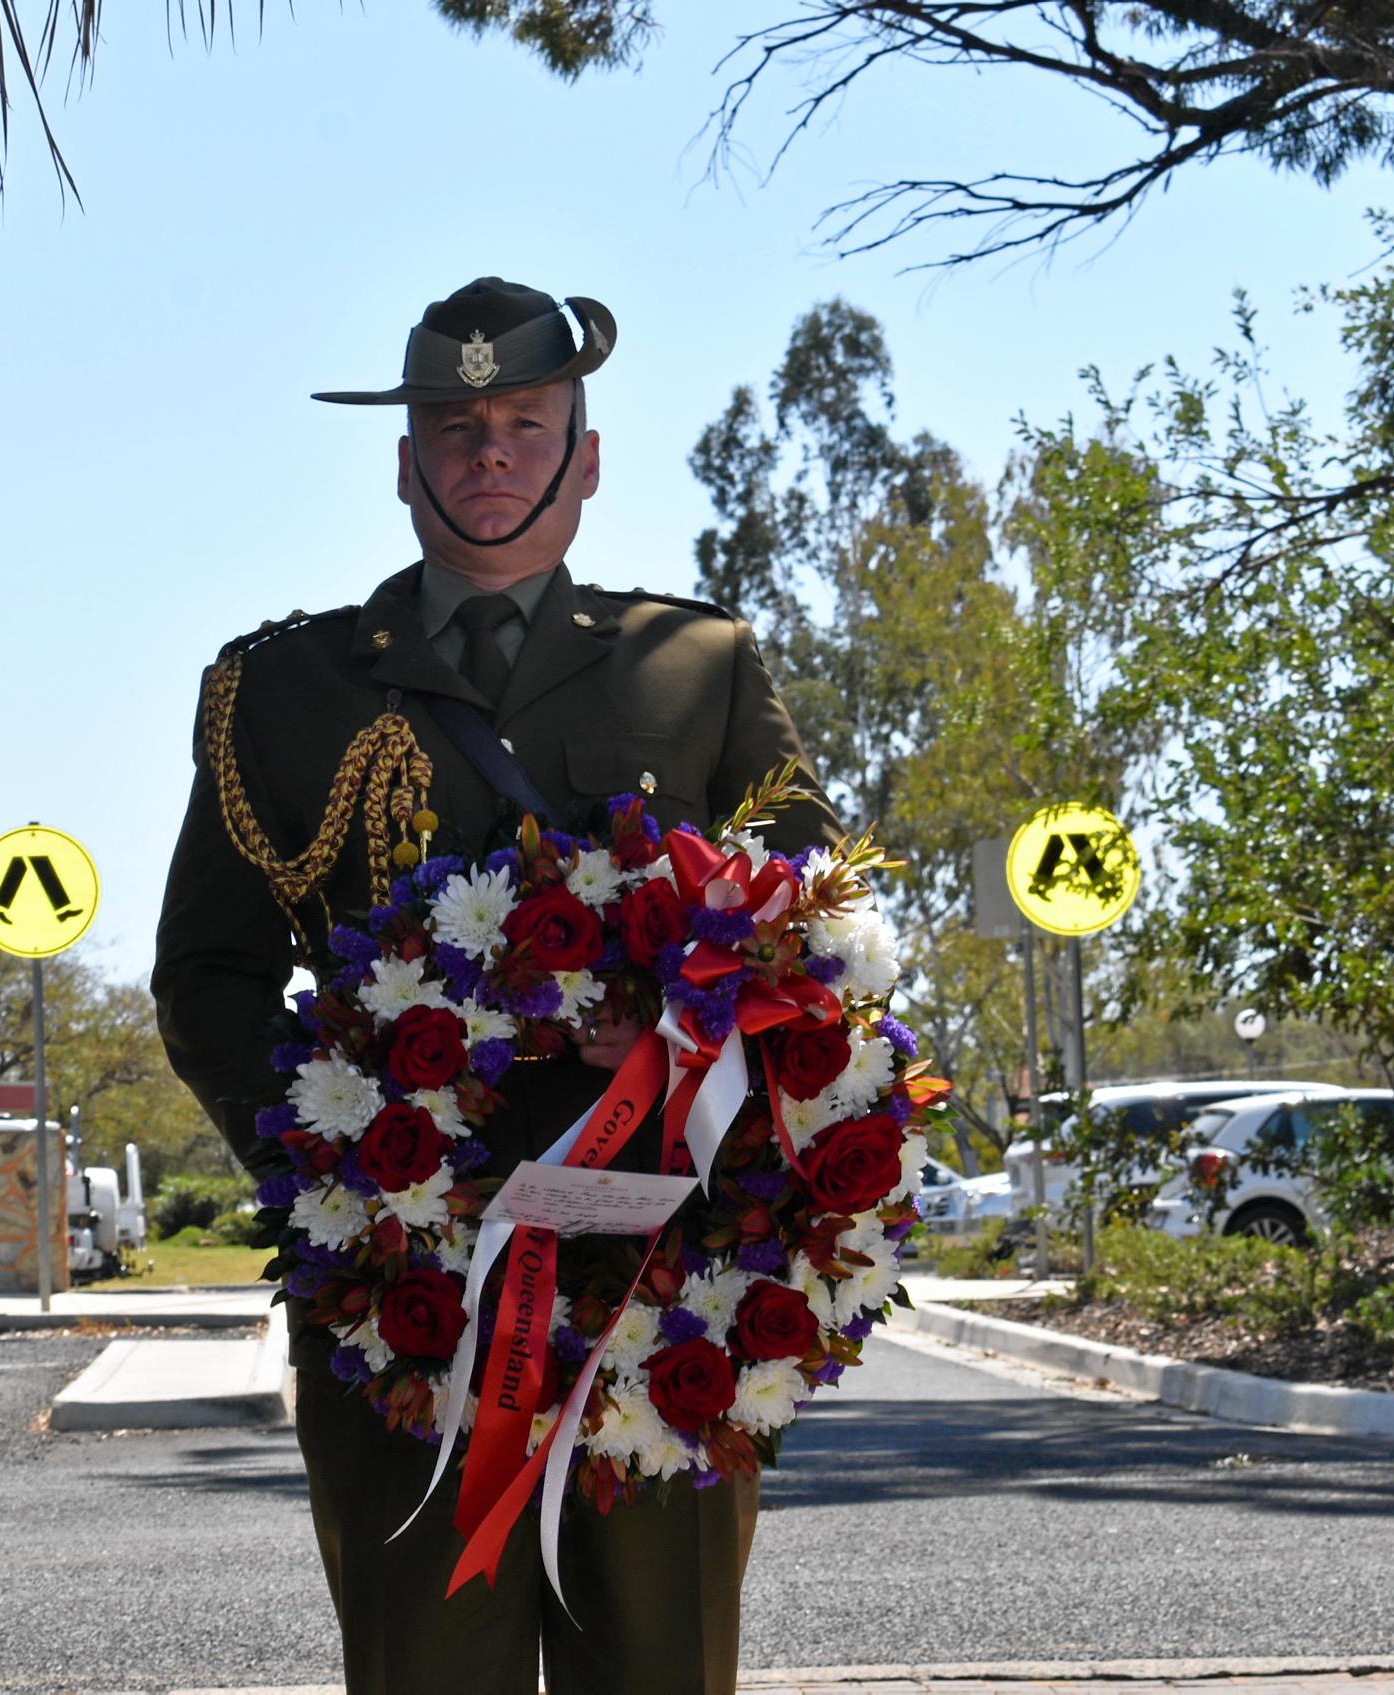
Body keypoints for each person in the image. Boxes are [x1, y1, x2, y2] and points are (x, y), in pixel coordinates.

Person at [151, 277, 842, 1695]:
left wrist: (681, 1046)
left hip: (661, 1268)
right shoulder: (285, 690)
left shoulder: (695, 670)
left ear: (583, 458)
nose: (488, 451)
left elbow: (808, 944)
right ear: (403, 465)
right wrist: (328, 1172)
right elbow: (208, 971)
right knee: (427, 1670)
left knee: (658, 1669)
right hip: (398, 1284)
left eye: (526, 420)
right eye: (453, 426)